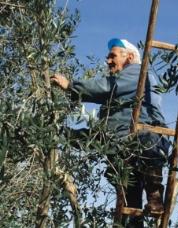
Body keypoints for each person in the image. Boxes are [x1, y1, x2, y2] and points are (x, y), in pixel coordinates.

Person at [52, 38, 169, 227]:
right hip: (124, 144)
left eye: (112, 55)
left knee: (148, 142)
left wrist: (71, 86)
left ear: (129, 56)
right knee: (131, 205)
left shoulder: (138, 72)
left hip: (145, 140)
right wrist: (64, 135)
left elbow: (106, 87)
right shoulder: (117, 107)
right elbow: (102, 135)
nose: (108, 60)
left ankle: (155, 195)